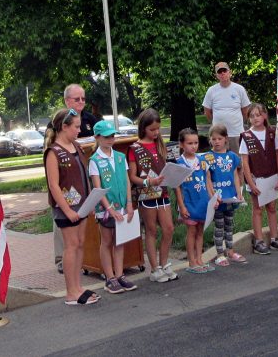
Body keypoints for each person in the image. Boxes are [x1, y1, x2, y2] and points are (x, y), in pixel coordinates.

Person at [44, 108, 99, 305]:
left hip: (82, 205)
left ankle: (78, 286)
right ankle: (70, 292)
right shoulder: (53, 152)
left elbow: (83, 176)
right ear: (63, 127)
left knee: (80, 243)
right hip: (66, 209)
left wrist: (90, 202)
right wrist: (67, 210)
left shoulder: (76, 146)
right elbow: (53, 185)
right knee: (71, 246)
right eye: (75, 127)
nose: (79, 130)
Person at [53, 84, 100, 274]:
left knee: (82, 223)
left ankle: (87, 256)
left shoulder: (89, 119)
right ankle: (61, 260)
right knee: (64, 222)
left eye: (83, 99)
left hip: (86, 174)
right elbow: (52, 146)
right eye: (76, 99)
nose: (81, 102)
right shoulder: (58, 120)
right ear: (67, 101)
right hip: (65, 179)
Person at [127, 108, 178, 283]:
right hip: (146, 194)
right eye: (152, 130)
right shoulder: (134, 148)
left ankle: (164, 264)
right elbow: (132, 176)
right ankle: (154, 269)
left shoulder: (161, 144)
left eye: (158, 129)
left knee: (169, 228)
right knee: (151, 230)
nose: (156, 133)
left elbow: (170, 166)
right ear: (143, 128)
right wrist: (148, 182)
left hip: (162, 192)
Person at [88, 120, 137, 294]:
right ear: (97, 137)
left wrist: (130, 203)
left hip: (123, 206)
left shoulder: (120, 157)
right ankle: (110, 278)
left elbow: (126, 181)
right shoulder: (95, 160)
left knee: (120, 241)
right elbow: (98, 188)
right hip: (107, 210)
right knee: (107, 241)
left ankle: (120, 274)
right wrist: (109, 209)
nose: (110, 139)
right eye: (106, 136)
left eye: (112, 136)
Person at [239, 103, 278, 255]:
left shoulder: (272, 133)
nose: (255, 118)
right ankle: (259, 240)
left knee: (272, 208)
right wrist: (250, 183)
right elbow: (245, 162)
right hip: (256, 179)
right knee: (257, 209)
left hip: (272, 176)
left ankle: (274, 238)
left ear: (265, 115)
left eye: (258, 115)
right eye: (252, 116)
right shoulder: (246, 136)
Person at [174, 128, 218, 274]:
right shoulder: (179, 163)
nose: (193, 146)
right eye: (189, 143)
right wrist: (181, 206)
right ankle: (192, 261)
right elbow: (177, 187)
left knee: (200, 231)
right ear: (181, 144)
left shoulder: (203, 161)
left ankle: (200, 258)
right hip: (189, 203)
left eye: (196, 143)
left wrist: (213, 198)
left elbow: (208, 181)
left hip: (203, 202)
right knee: (191, 231)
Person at [206, 124, 246, 266]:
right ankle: (219, 254)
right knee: (219, 225)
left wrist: (239, 192)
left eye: (219, 138)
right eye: (213, 139)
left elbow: (235, 175)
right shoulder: (208, 157)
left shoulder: (232, 156)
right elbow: (208, 178)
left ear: (226, 139)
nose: (216, 141)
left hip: (230, 196)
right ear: (210, 140)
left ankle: (230, 250)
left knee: (229, 225)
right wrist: (212, 196)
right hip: (218, 199)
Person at [202, 61, 251, 154]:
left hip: (236, 133)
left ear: (230, 72)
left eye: (225, 70)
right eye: (219, 72)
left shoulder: (239, 89)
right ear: (216, 75)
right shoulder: (211, 90)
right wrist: (215, 123)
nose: (222, 73)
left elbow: (245, 111)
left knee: (238, 162)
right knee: (219, 162)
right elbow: (207, 112)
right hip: (218, 136)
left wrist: (238, 123)